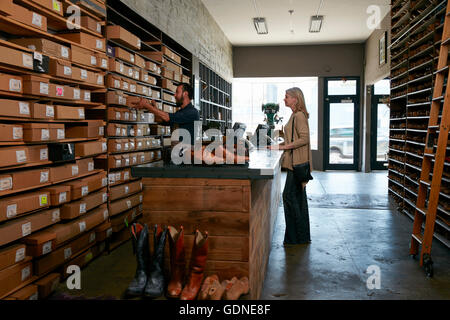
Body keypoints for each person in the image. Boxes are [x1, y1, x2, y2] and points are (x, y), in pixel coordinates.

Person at [269, 87, 313, 245]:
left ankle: (295, 238)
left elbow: (305, 138)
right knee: (296, 200)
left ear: (295, 99)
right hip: (296, 163)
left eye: (287, 96)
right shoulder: (295, 115)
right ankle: (299, 237)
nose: (284, 99)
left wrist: (282, 147)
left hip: (297, 163)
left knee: (289, 197)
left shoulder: (299, 115)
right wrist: (282, 143)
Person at [130, 83, 200, 145]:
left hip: (187, 156)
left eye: (177, 92)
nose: (174, 95)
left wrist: (147, 106)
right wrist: (151, 108)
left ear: (185, 94)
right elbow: (160, 120)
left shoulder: (192, 112)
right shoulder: (180, 113)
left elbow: (167, 117)